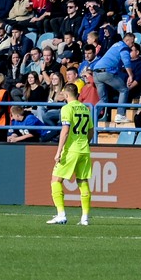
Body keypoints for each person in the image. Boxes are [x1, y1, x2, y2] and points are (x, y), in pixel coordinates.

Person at [48, 81, 93, 226]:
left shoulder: (67, 108)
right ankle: (85, 218)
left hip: (71, 150)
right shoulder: (85, 108)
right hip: (84, 150)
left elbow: (65, 131)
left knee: (56, 180)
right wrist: (84, 143)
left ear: (66, 95)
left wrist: (58, 151)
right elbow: (91, 131)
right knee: (83, 182)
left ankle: (61, 215)